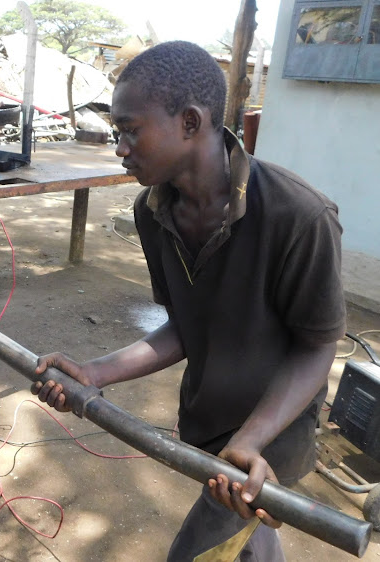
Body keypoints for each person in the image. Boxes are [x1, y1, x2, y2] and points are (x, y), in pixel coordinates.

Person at [32, 41, 345, 561]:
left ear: (191, 122)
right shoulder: (152, 211)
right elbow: (185, 327)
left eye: (131, 130)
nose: (120, 148)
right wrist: (94, 372)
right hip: (208, 416)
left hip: (272, 433)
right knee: (250, 537)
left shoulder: (299, 217)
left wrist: (252, 440)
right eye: (117, 133)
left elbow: (317, 348)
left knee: (201, 548)